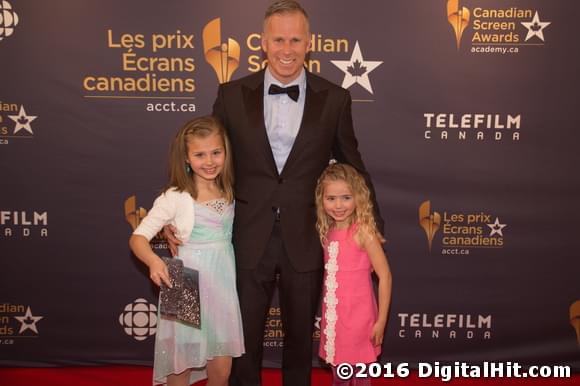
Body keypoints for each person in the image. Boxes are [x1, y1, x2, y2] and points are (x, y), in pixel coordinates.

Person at [166, 1, 384, 385]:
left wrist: (373, 224)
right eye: (279, 39)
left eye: (296, 39)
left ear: (309, 42)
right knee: (243, 339)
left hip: (307, 236)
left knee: (300, 340)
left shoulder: (334, 99)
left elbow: (353, 165)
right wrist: (176, 212)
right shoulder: (231, 94)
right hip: (246, 234)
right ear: (263, 43)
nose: (287, 48)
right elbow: (205, 158)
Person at [130, 116, 244, 386]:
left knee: (222, 369)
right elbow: (138, 238)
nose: (209, 161)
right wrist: (155, 262)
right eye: (200, 154)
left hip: (222, 289)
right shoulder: (175, 197)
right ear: (186, 158)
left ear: (226, 153)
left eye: (216, 152)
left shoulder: (230, 189)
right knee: (180, 365)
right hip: (184, 285)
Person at [315, 163, 392, 386]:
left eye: (346, 197)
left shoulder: (363, 232)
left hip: (359, 319)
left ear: (357, 197)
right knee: (339, 373)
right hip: (336, 320)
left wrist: (381, 321)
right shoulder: (328, 231)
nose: (338, 205)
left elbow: (385, 276)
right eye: (331, 198)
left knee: (359, 377)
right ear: (322, 199)